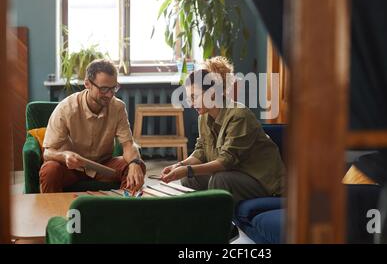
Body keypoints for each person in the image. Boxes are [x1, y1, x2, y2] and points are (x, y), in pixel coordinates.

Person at [160, 69, 284, 203]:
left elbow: (226, 161)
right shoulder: (203, 116)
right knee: (189, 178)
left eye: (194, 97)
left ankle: (216, 221)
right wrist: (179, 165)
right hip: (233, 172)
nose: (190, 103)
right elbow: (201, 151)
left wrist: (188, 170)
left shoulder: (239, 116)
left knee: (219, 179)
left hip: (261, 181)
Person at [40, 59, 146, 193]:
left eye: (114, 88)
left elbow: (128, 145)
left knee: (138, 166)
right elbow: (48, 153)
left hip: (103, 166)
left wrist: (134, 163)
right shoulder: (66, 109)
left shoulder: (118, 107)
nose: (109, 94)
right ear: (87, 84)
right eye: (103, 89)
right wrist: (65, 155)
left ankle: (122, 209)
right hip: (71, 168)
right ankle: (55, 212)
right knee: (50, 170)